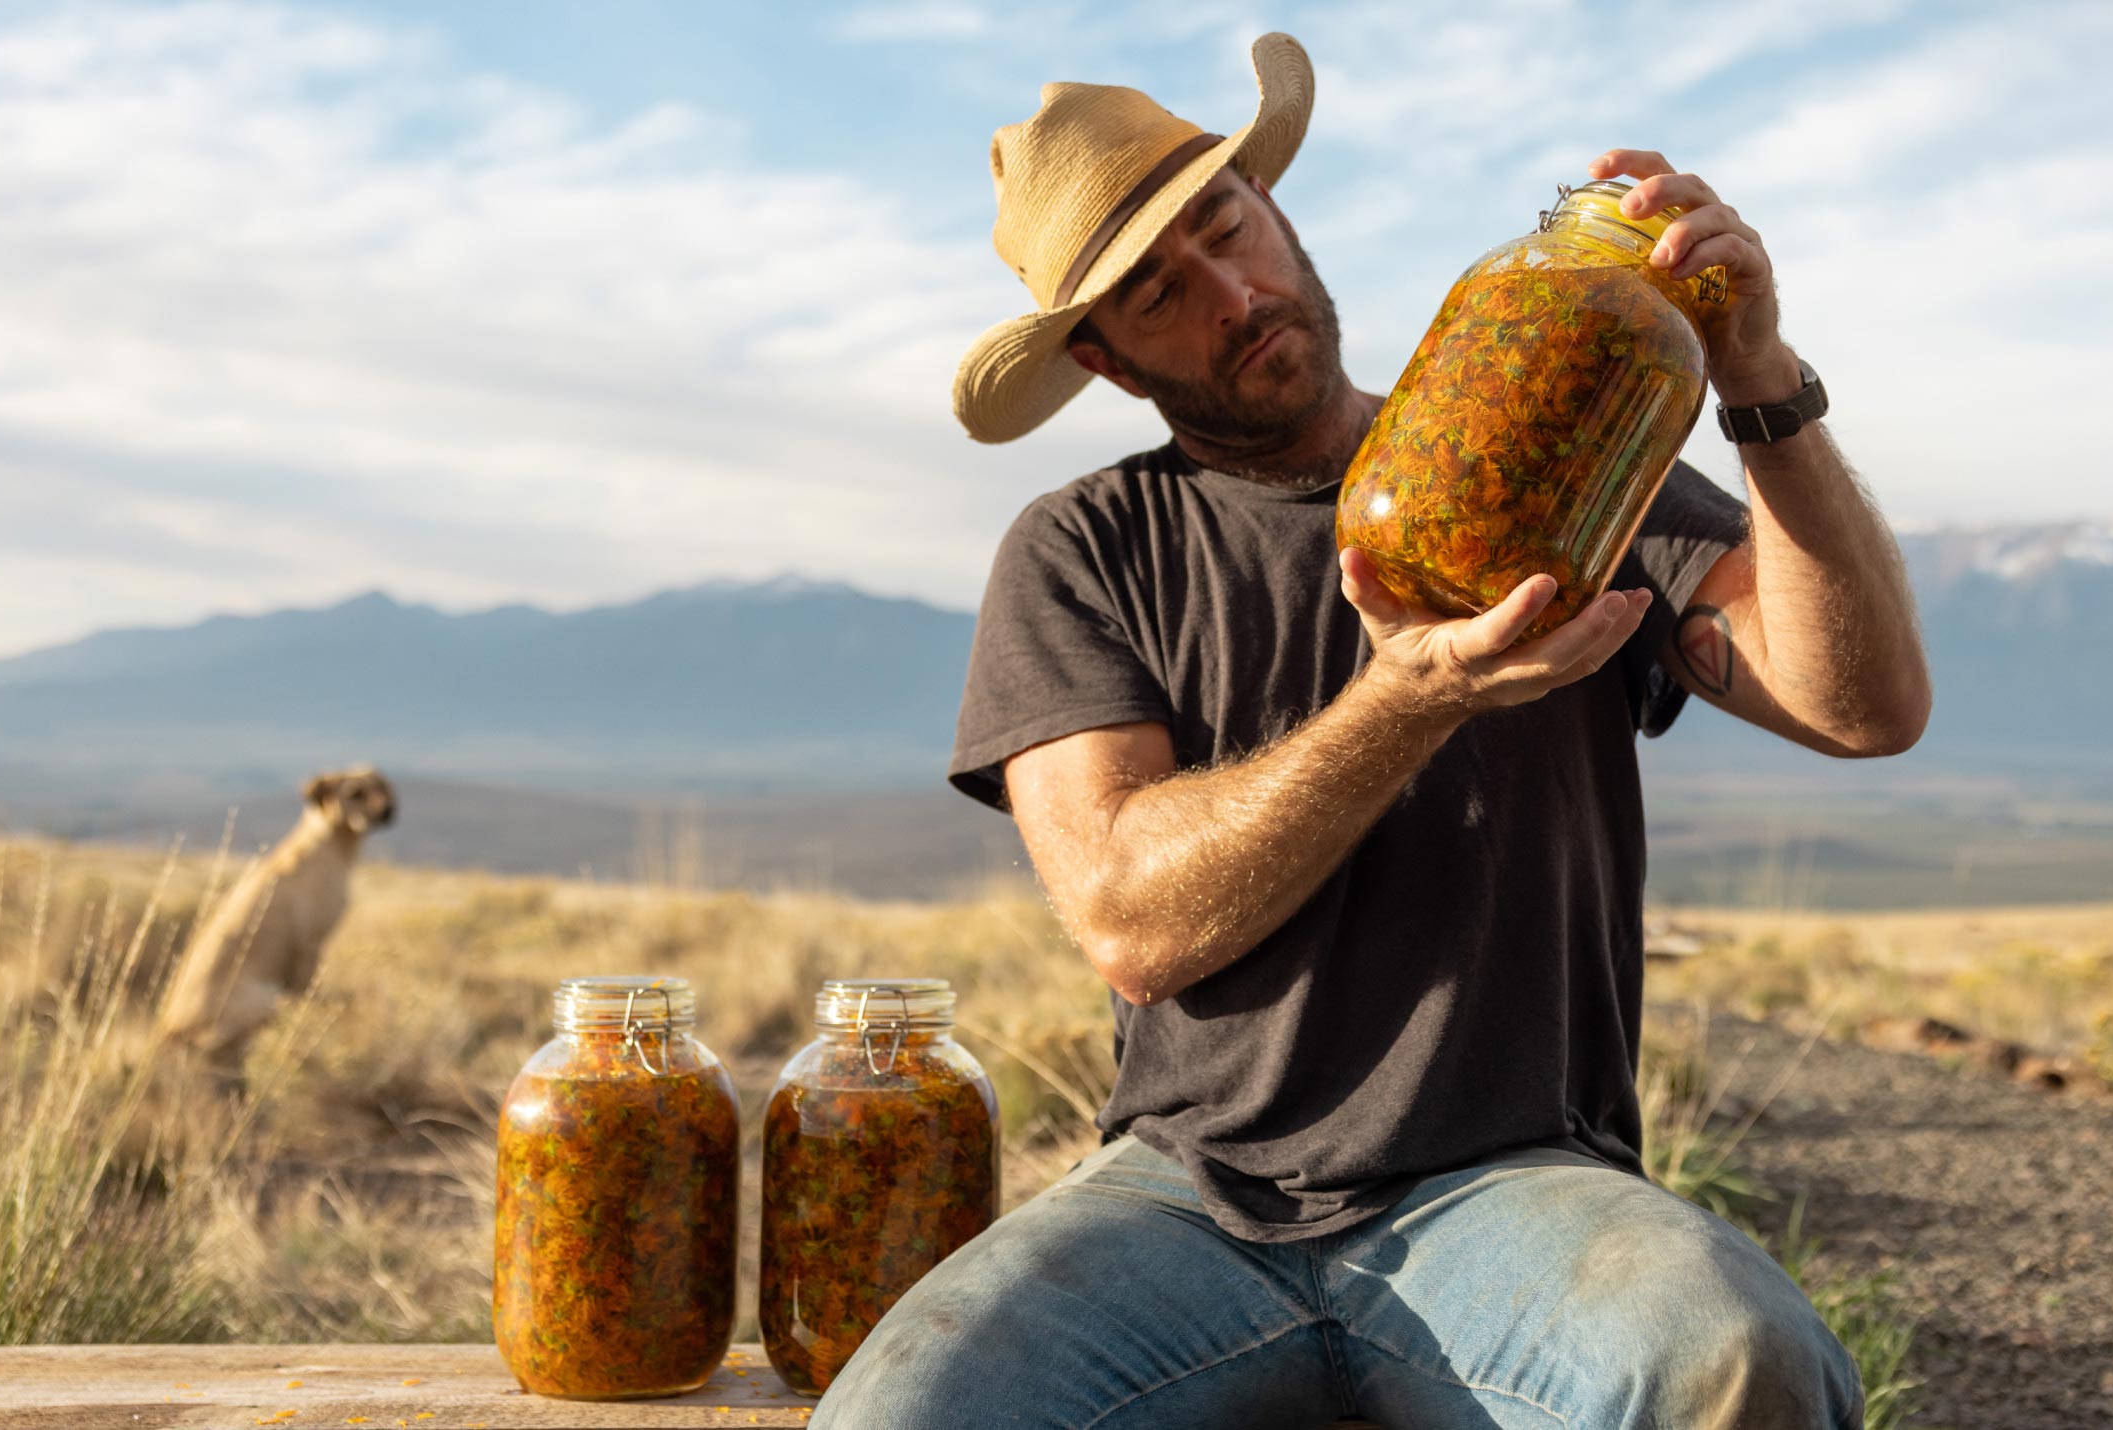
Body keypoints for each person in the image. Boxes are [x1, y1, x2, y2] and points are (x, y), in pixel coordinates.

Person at [817, 31, 1929, 1430]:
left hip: (1516, 1181)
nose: (1234, 293)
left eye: (1228, 227)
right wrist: (1408, 701)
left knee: (1733, 1361)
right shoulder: (1086, 550)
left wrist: (1762, 380)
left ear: (1276, 207)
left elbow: (1863, 705)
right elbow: (1133, 917)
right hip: (1185, 1203)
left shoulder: (1552, 448)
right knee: (899, 1418)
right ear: (1103, 358)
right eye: (1162, 292)